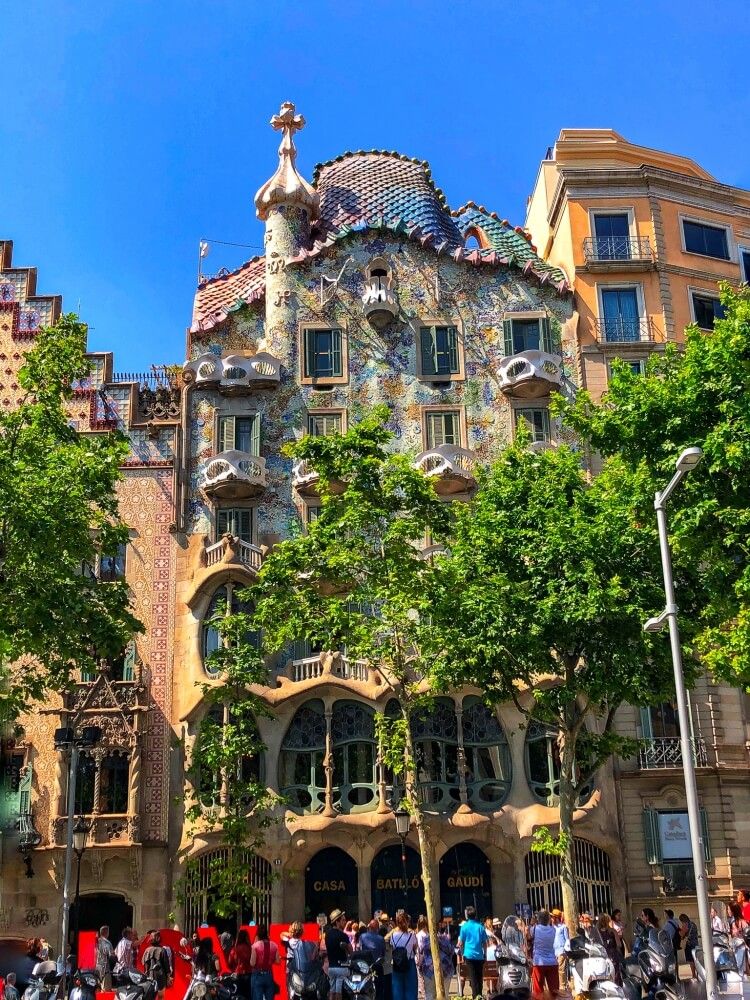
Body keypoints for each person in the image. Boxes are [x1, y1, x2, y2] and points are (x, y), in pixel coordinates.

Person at [458, 906, 486, 1000]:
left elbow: (461, 943)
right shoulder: (480, 927)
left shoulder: (464, 927)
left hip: (468, 955)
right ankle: (480, 995)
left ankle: (475, 996)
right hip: (479, 955)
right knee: (479, 977)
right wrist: (484, 954)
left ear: (467, 915)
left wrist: (462, 954)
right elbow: (484, 943)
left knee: (473, 977)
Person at [386, 912, 417, 1000]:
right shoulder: (412, 935)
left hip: (397, 963)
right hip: (409, 962)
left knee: (397, 989)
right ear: (408, 922)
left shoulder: (393, 936)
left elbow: (391, 947)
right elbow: (415, 947)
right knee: (411, 989)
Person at [530, 910, 558, 1000]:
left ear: (538, 919)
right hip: (552, 962)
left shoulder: (534, 929)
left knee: (538, 991)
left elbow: (528, 936)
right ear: (548, 919)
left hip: (539, 962)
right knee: (554, 991)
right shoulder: (553, 929)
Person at [326, 910, 353, 1000]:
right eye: (343, 920)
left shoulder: (327, 935)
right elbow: (351, 951)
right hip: (341, 967)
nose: (345, 922)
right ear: (337, 922)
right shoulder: (343, 935)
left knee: (331, 991)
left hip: (331, 968)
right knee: (338, 992)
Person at [250, 925, 280, 1000]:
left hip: (257, 975)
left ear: (258, 934)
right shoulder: (274, 945)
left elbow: (252, 963)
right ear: (267, 934)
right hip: (269, 975)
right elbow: (278, 961)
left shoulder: (255, 946)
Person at [359, 920, 387, 1000]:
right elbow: (383, 953)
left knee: (365, 989)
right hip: (377, 966)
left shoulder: (362, 937)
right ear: (377, 928)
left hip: (365, 967)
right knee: (379, 989)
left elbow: (359, 950)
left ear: (369, 927)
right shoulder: (381, 939)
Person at [143, 931, 172, 1000]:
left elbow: (144, 964)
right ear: (159, 938)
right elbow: (166, 965)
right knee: (161, 997)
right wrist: (168, 977)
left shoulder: (147, 950)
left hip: (149, 977)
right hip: (160, 977)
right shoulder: (162, 950)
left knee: (150, 996)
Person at [597, 914, 622, 986]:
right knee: (615, 976)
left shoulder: (596, 933)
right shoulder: (612, 931)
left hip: (601, 958)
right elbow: (619, 944)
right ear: (608, 921)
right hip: (613, 956)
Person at [228, 928, 253, 1000]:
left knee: (239, 995)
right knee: (249, 995)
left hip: (238, 974)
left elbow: (230, 962)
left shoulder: (235, 949)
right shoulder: (250, 948)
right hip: (249, 973)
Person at [415, 916, 435, 1000]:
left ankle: (424, 996)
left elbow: (418, 949)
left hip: (421, 960)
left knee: (421, 979)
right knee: (428, 982)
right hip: (429, 961)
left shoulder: (418, 935)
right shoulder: (429, 935)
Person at [727, 902, 749, 978]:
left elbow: (747, 934)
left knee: (741, 968)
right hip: (734, 947)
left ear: (733, 910)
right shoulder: (731, 921)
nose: (728, 911)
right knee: (736, 967)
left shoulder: (742, 921)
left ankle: (743, 985)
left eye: (729, 909)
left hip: (741, 947)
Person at [551, 911, 569, 994]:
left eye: (553, 917)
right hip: (553, 952)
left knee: (561, 970)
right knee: (555, 970)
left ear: (556, 917)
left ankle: (563, 987)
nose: (551, 919)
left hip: (561, 951)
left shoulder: (563, 927)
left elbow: (567, 939)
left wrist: (565, 950)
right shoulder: (551, 928)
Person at [678, 914, 698, 980]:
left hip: (689, 944)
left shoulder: (686, 925)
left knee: (690, 960)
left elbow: (682, 934)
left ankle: (693, 975)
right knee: (694, 959)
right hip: (695, 944)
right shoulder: (693, 924)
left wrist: (679, 932)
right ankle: (695, 974)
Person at [95, 925, 114, 989]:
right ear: (106, 932)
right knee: (106, 989)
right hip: (105, 968)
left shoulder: (96, 942)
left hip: (96, 968)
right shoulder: (107, 943)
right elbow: (111, 955)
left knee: (97, 989)